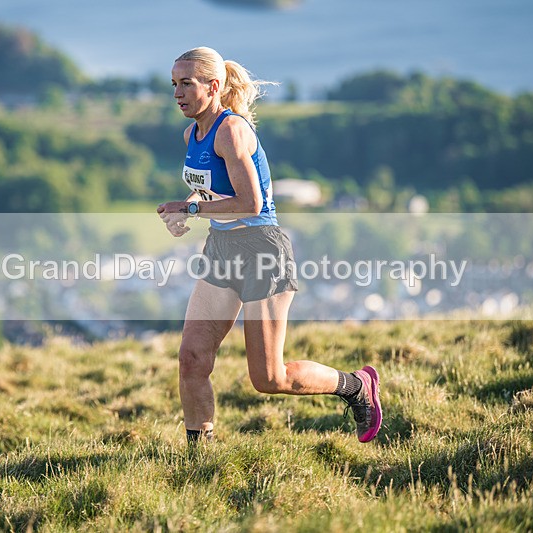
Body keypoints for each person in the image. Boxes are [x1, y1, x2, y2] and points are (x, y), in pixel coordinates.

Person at [157, 47, 381, 445]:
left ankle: (356, 386)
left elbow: (251, 203)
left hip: (262, 251)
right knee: (192, 360)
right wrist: (186, 213)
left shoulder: (232, 130)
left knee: (270, 378)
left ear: (213, 86)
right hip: (222, 250)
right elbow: (213, 193)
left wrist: (191, 207)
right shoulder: (192, 133)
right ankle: (199, 461)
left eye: (186, 83)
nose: (177, 92)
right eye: (174, 83)